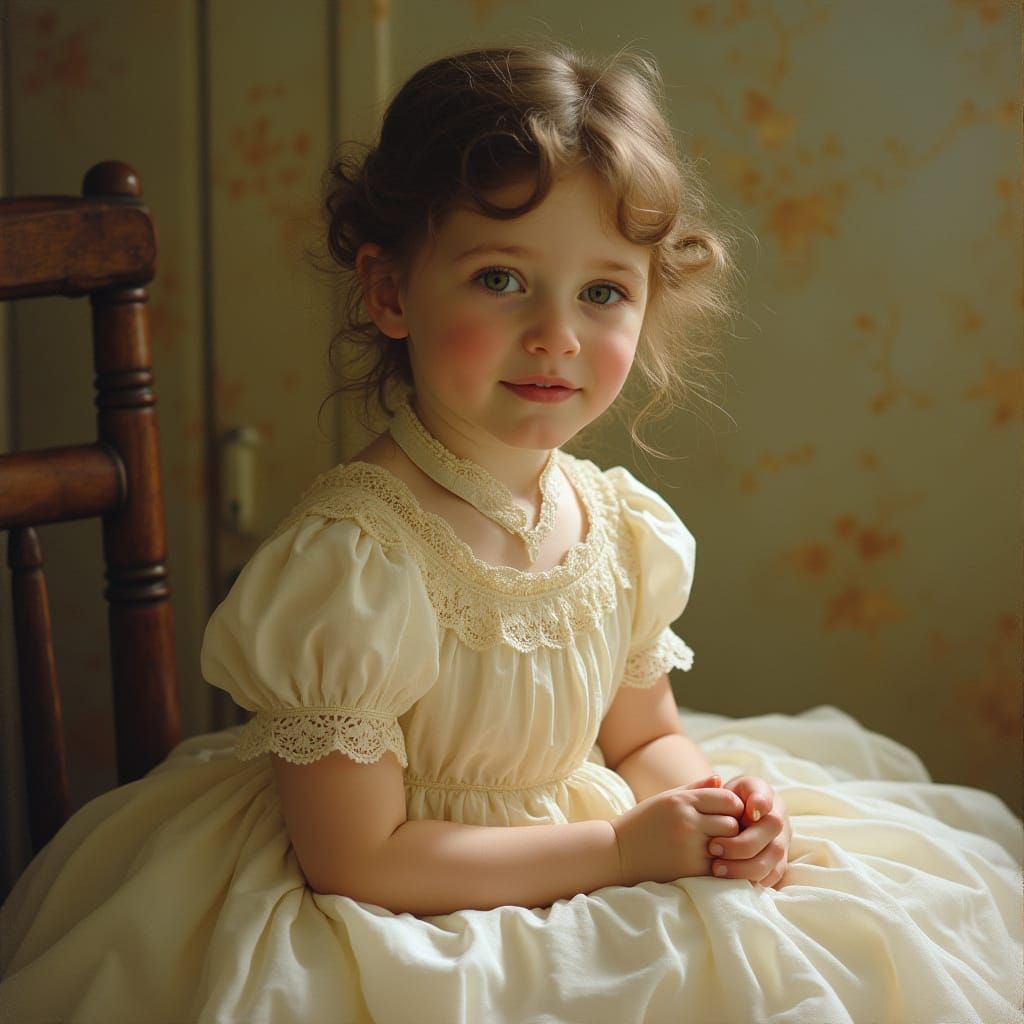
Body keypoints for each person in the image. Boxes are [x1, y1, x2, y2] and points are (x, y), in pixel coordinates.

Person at [1, 41, 1021, 1024]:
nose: (556, 335)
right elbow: (358, 861)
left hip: (585, 846)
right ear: (390, 291)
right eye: (500, 278)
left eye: (603, 291)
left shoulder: (618, 526)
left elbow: (644, 736)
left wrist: (714, 811)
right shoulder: (357, 563)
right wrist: (618, 852)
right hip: (401, 902)